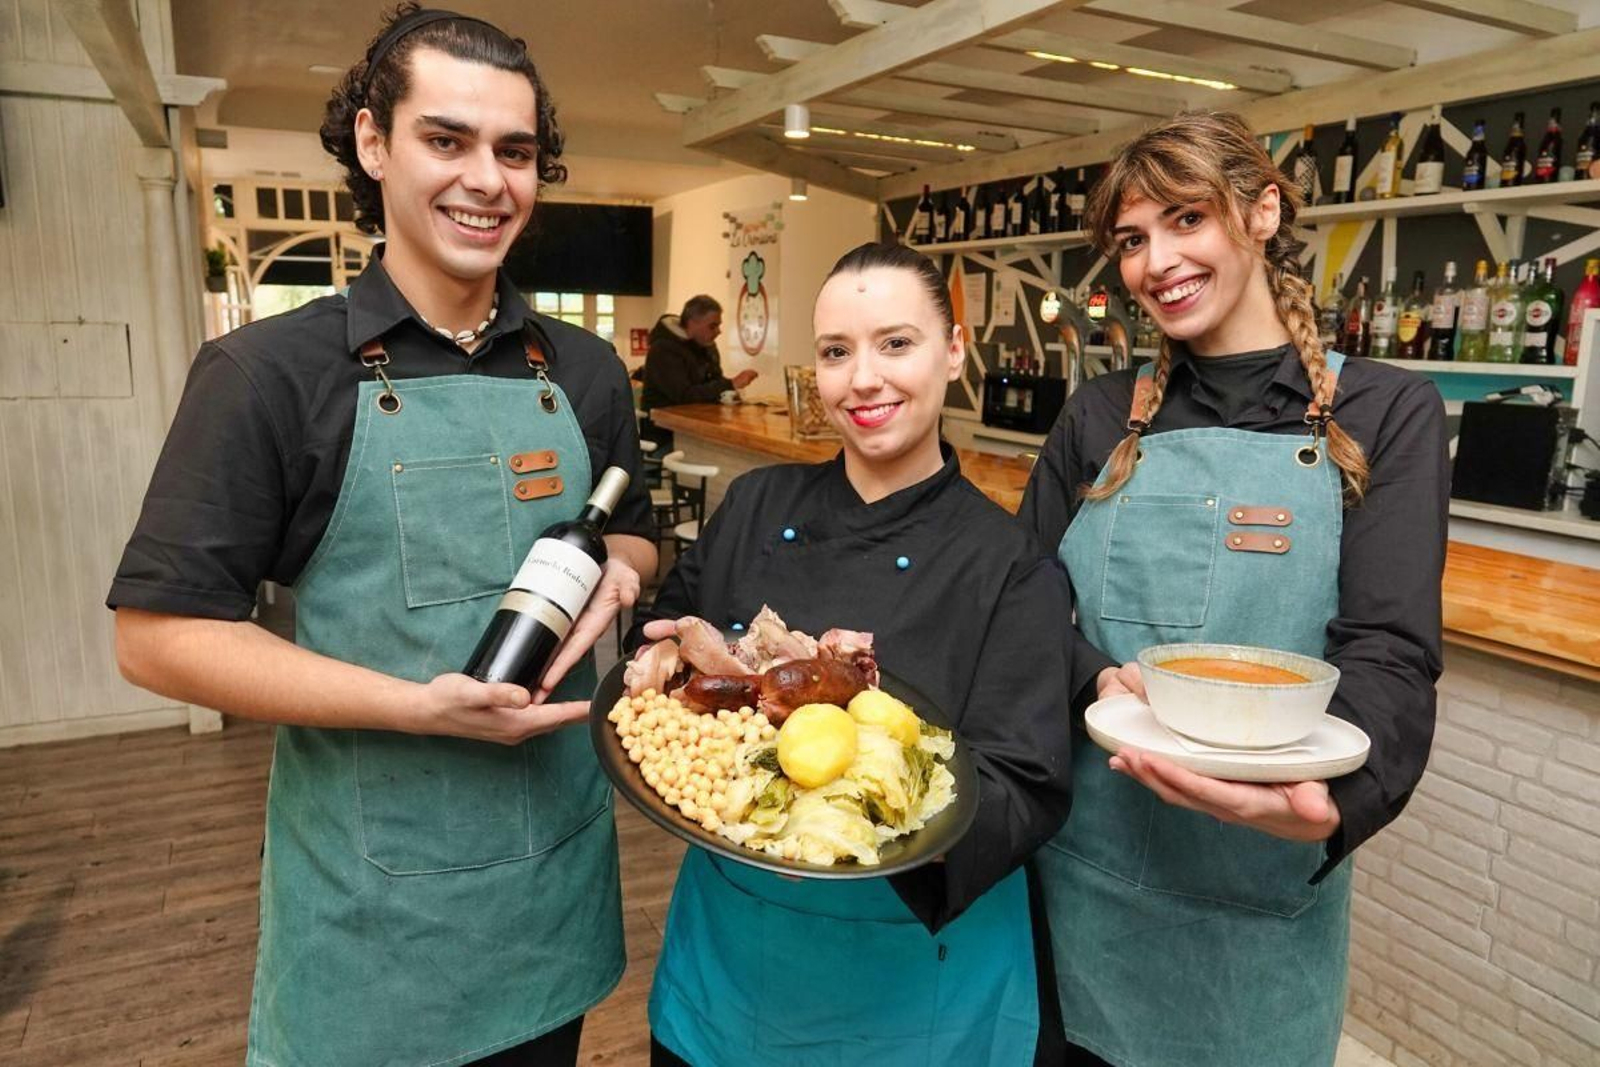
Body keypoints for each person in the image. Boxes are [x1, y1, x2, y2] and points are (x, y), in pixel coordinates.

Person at [107, 7, 656, 1065]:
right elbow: (157, 636)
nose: (486, 180)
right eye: (446, 140)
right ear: (373, 142)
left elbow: (629, 536)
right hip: (374, 913)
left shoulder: (584, 371)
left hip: (551, 888)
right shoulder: (266, 375)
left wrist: (619, 579)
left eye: (515, 152)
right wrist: (418, 706)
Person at [1020, 112, 1446, 1067]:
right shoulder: (1099, 415)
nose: (1157, 261)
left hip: (1258, 899)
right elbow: (1026, 601)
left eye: (1186, 219)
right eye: (1133, 239)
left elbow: (1390, 648)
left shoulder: (1386, 411)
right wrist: (1095, 675)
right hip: (1076, 881)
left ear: (1263, 212)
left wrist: (1331, 804)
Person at [632, 241, 1079, 1067]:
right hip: (730, 959)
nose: (863, 379)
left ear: (954, 351)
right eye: (837, 352)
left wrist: (841, 832)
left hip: (920, 980)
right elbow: (667, 642)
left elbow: (1027, 785)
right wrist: (657, 659)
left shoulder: (1008, 562)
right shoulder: (755, 504)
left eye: (896, 343)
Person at [640, 296, 757, 447]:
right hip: (666, 436)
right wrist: (731, 384)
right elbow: (684, 396)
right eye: (712, 326)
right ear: (692, 323)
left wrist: (730, 393)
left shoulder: (707, 347)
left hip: (697, 430)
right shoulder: (663, 350)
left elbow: (714, 383)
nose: (719, 331)